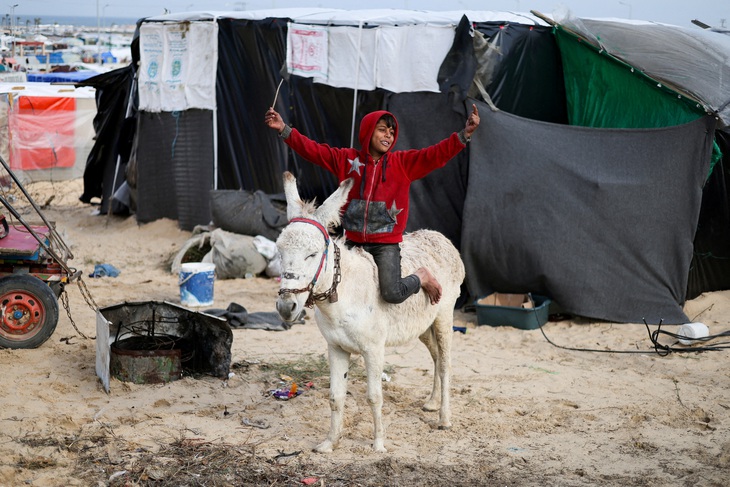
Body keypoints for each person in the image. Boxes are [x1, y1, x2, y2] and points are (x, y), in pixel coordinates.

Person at [264, 103, 480, 305]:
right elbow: (312, 150)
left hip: (385, 244)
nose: (388, 135)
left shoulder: (403, 164)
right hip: (352, 242)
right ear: (368, 131)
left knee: (392, 294)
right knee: (332, 288)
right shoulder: (346, 159)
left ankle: (421, 276)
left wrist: (464, 135)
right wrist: (284, 129)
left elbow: (436, 155)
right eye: (382, 129)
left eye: (392, 132)